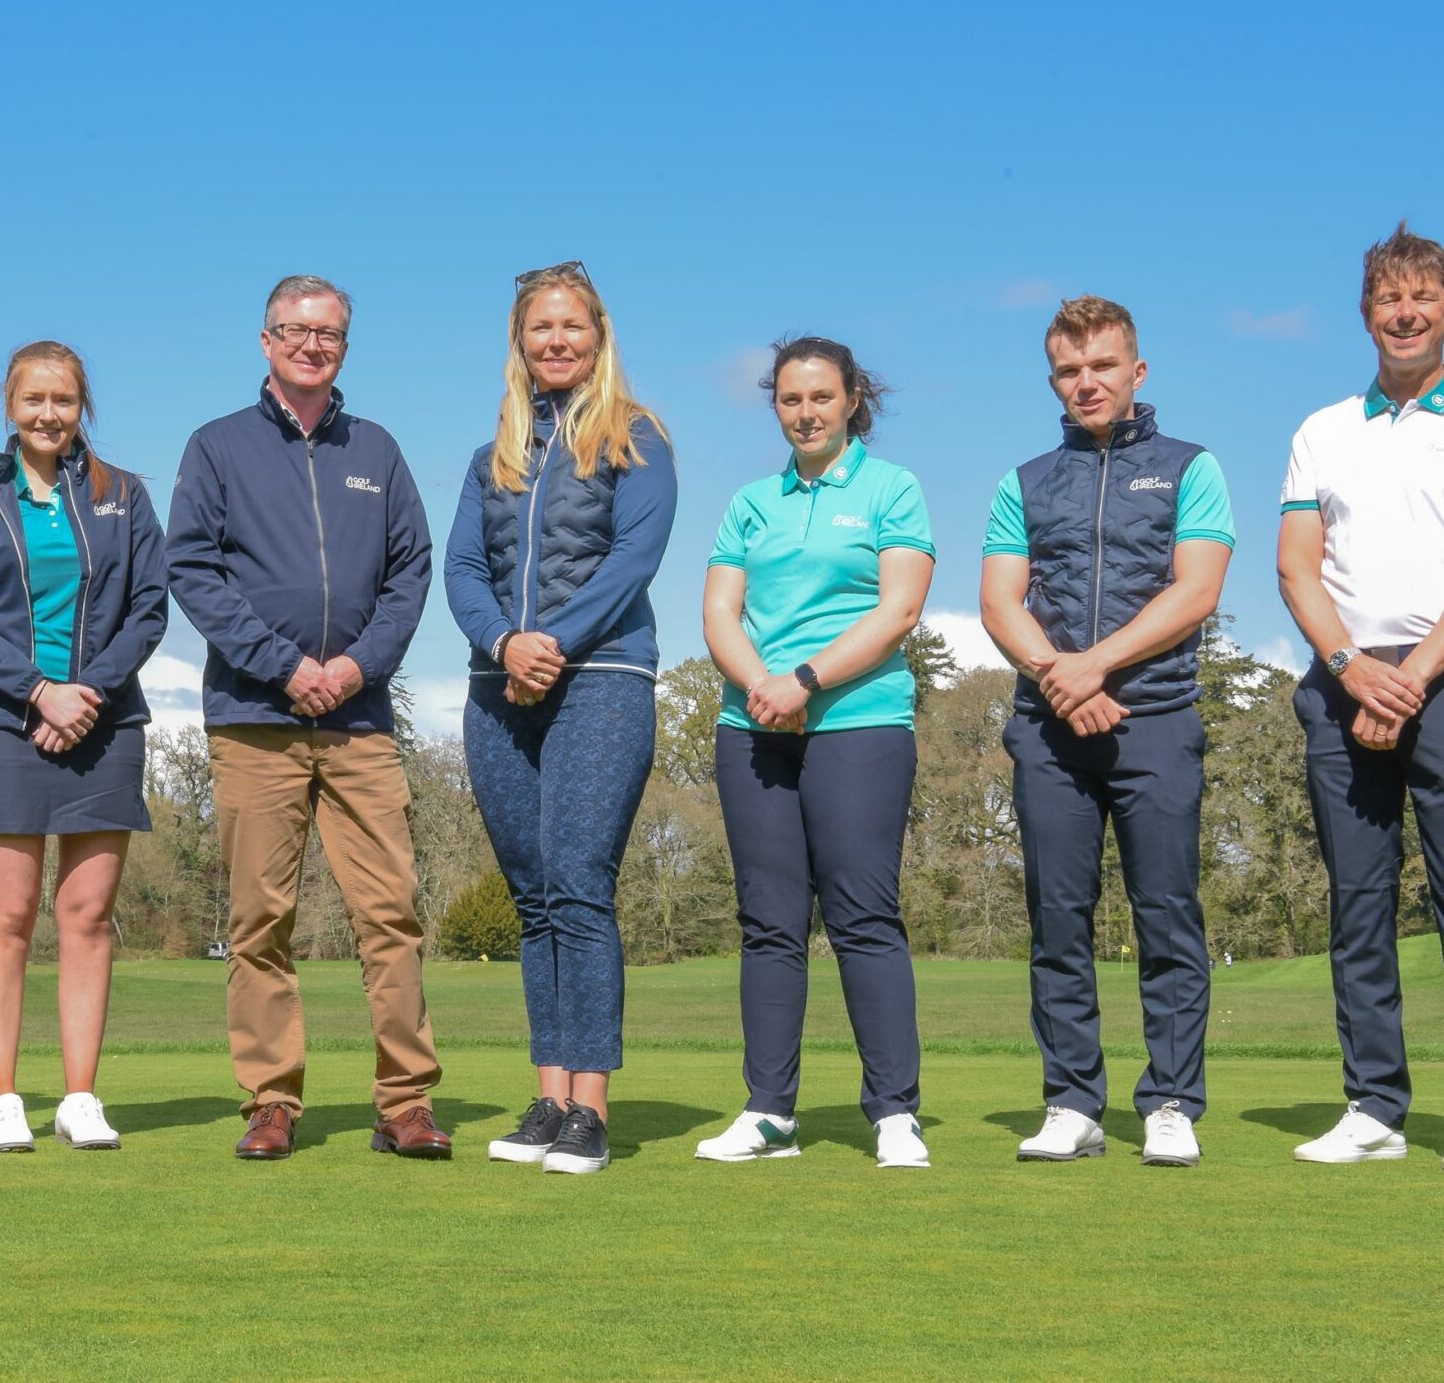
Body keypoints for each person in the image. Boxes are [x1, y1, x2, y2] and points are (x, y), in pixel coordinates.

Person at [166, 274, 445, 1161]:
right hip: (255, 719)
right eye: (295, 330)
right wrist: (285, 666)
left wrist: (356, 666)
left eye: (328, 334)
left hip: (359, 723)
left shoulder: (379, 450)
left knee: (390, 915)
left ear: (345, 347)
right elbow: (193, 571)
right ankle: (271, 1102)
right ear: (266, 340)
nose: (311, 345)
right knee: (260, 922)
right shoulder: (217, 446)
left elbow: (410, 572)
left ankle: (405, 1103)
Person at [1278, 223, 1444, 1173]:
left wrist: (1412, 678)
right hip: (1344, 682)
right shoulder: (1321, 430)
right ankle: (1375, 1106)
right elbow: (1297, 570)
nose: (1406, 312)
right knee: (1358, 902)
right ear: (1366, 313)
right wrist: (1353, 670)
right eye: (1389, 297)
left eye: (1424, 297)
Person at [978, 295, 1233, 1168]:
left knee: (1167, 915)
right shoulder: (1023, 481)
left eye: (1102, 366)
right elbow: (999, 602)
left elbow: (1196, 591)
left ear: (1137, 371)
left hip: (1156, 719)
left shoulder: (1191, 467)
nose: (1085, 383)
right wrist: (1061, 677)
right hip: (1049, 729)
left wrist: (1095, 665)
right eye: (1068, 370)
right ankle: (1071, 1103)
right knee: (1058, 920)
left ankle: (1171, 1102)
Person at [444, 262, 676, 1175]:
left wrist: (553, 645)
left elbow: (633, 560)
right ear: (520, 340)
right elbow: (464, 569)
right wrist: (506, 645)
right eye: (540, 327)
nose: (556, 340)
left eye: (571, 325)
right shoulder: (491, 455)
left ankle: (591, 1111)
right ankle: (548, 1100)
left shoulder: (638, 437)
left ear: (598, 335)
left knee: (579, 884)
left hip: (603, 679)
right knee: (534, 896)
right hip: (497, 688)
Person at [693, 336, 938, 1170]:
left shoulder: (891, 488)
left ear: (852, 399)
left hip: (859, 722)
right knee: (769, 924)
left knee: (863, 916)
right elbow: (719, 612)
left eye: (821, 398)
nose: (806, 414)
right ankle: (770, 1113)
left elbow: (899, 611)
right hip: (753, 726)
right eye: (791, 400)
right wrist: (762, 687)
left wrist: (803, 681)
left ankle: (895, 1113)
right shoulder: (751, 502)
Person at [0, 341, 167, 1152]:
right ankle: (3, 1097)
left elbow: (149, 608)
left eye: (63, 400)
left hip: (106, 724)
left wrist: (85, 694)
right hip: (4, 723)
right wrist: (39, 692)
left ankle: (79, 1098)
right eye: (33, 399)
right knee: (7, 916)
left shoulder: (124, 495)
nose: (47, 414)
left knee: (88, 917)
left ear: (82, 406)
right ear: (9, 405)